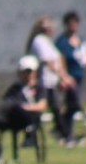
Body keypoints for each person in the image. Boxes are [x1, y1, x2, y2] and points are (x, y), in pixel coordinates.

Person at [0, 55, 48, 164]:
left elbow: (42, 105)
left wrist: (27, 107)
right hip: (13, 118)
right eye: (24, 71)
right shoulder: (15, 88)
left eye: (29, 71)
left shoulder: (39, 88)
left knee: (17, 106)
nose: (26, 74)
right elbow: (7, 101)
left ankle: (29, 137)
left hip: (30, 118)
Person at [26, 15, 75, 145]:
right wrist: (63, 77)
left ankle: (61, 133)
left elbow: (59, 58)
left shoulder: (47, 41)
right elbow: (48, 61)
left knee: (53, 109)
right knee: (48, 109)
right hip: (44, 81)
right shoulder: (39, 40)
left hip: (51, 81)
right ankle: (63, 134)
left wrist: (62, 75)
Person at [55, 11, 86, 148]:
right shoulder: (62, 42)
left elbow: (85, 56)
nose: (74, 27)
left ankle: (65, 133)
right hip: (68, 78)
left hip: (79, 76)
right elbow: (59, 60)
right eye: (71, 24)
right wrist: (63, 77)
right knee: (74, 103)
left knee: (70, 107)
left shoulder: (81, 41)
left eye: (76, 24)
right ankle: (64, 130)